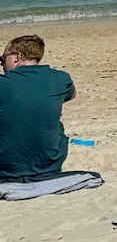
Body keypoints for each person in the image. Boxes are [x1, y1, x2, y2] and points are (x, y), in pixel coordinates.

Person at [0, 35, 77, 185]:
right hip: (50, 166)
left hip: (6, 169)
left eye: (3, 59)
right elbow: (71, 95)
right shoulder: (61, 78)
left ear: (17, 57)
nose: (2, 65)